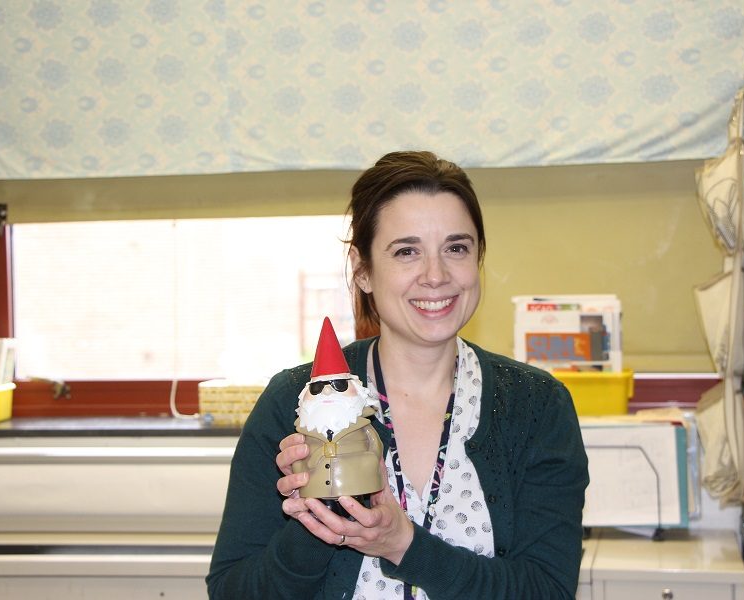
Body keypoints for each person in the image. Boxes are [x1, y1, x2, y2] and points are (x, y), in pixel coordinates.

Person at [207, 150, 589, 600]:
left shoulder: (536, 405)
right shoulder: (294, 401)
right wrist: (318, 522)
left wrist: (404, 545)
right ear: (363, 270)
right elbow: (233, 592)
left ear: (478, 260)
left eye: (456, 248)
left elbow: (547, 590)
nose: (436, 275)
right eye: (407, 251)